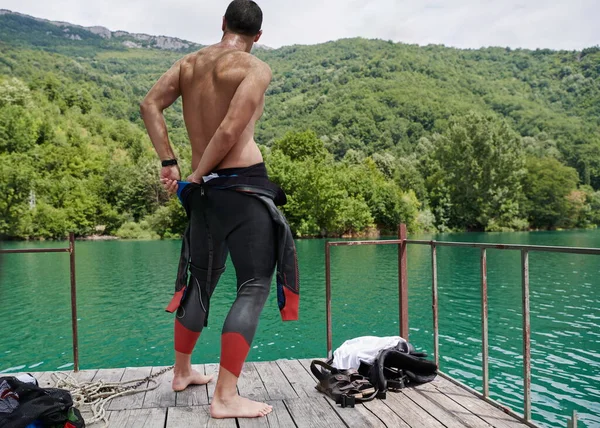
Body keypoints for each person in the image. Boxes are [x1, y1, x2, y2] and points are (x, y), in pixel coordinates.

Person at [140, 0, 299, 419]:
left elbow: (149, 105)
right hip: (242, 187)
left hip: (206, 196)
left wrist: (169, 161)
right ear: (258, 37)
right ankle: (226, 397)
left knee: (201, 281)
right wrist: (195, 174)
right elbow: (230, 128)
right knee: (253, 284)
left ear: (223, 23)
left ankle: (182, 372)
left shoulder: (188, 64)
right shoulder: (254, 68)